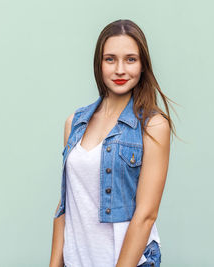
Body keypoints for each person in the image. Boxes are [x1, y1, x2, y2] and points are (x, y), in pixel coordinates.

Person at [49, 19, 177, 267]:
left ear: (142, 66)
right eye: (110, 59)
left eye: (130, 59)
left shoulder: (153, 126)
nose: (120, 69)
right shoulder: (74, 123)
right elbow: (65, 203)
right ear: (99, 64)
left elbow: (146, 215)